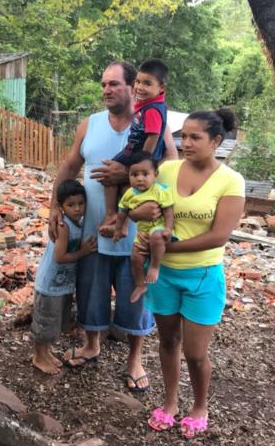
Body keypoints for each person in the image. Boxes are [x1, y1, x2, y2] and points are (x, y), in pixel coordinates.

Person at [48, 60, 177, 393]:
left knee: (135, 294)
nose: (106, 90)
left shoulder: (153, 122)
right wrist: (53, 206)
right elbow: (71, 165)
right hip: (93, 229)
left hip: (138, 235)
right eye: (103, 84)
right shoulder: (89, 124)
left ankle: (135, 358)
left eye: (114, 84)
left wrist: (130, 176)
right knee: (91, 290)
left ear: (133, 86)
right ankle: (92, 343)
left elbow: (173, 167)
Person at [131, 109, 244, 437]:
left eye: (196, 137)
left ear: (216, 141)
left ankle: (199, 406)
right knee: (168, 342)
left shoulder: (230, 180)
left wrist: (163, 249)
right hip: (162, 275)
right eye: (184, 136)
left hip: (202, 277)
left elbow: (219, 235)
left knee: (195, 354)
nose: (186, 143)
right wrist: (141, 226)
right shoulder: (165, 169)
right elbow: (142, 206)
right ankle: (170, 403)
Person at [32, 180, 97, 374]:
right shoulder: (63, 225)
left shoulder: (79, 222)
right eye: (71, 205)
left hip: (62, 284)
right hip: (50, 284)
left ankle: (46, 352)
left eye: (80, 203)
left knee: (55, 321)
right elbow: (60, 257)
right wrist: (83, 251)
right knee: (45, 322)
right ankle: (38, 356)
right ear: (61, 207)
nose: (77, 209)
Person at [100, 59, 169, 239]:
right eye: (138, 82)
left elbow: (153, 136)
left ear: (161, 87)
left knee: (109, 174)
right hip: (136, 150)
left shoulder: (153, 110)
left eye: (147, 83)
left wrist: (141, 163)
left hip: (138, 153)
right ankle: (122, 224)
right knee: (126, 187)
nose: (140, 87)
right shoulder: (149, 105)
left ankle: (111, 215)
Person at [110, 151, 174, 304]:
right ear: (128, 175)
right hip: (141, 233)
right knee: (135, 259)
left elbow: (168, 211)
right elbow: (122, 213)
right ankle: (140, 284)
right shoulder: (129, 194)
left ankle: (154, 267)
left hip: (157, 228)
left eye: (145, 174)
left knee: (157, 237)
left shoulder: (159, 191)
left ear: (155, 174)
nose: (140, 178)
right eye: (134, 174)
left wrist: (168, 228)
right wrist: (118, 229)